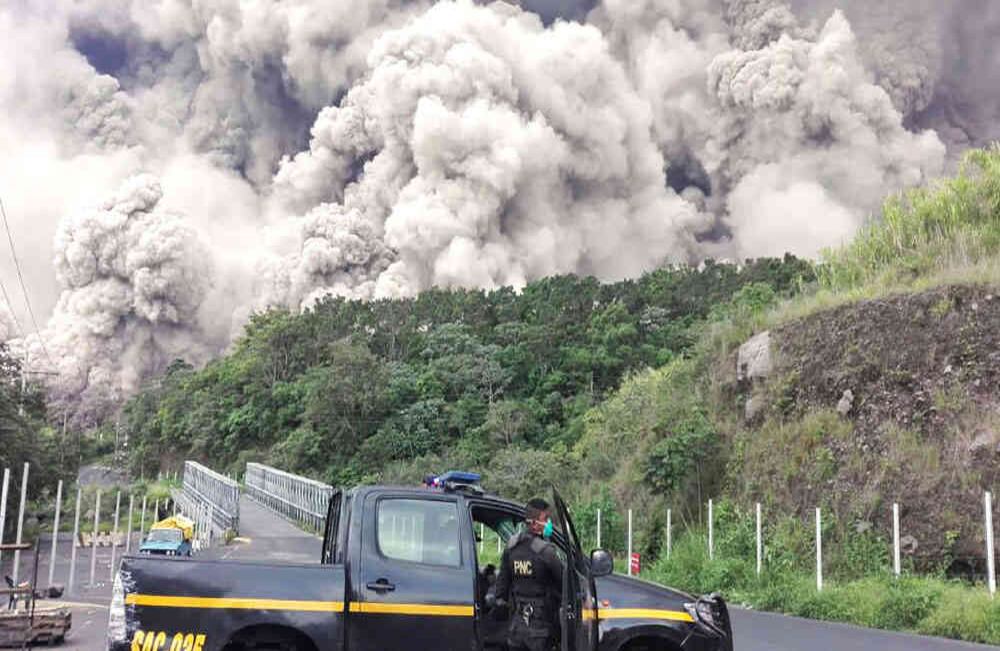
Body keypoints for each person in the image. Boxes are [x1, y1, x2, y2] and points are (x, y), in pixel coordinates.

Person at [493, 498, 564, 651]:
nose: (549, 523)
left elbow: (501, 588)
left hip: (517, 628)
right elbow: (565, 584)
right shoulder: (546, 552)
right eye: (546, 519)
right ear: (533, 523)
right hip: (539, 629)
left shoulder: (511, 548)